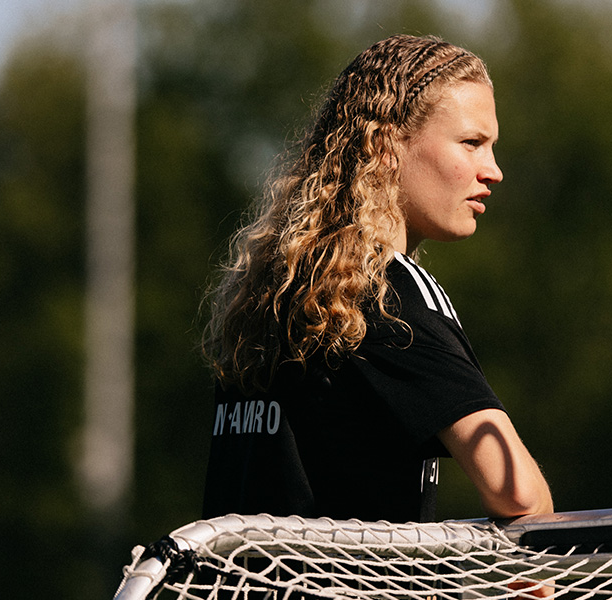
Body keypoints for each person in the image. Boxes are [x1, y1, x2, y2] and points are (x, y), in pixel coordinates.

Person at [201, 34, 553, 523]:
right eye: (472, 143)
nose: (492, 170)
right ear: (385, 145)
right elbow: (517, 493)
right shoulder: (388, 291)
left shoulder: (273, 289)